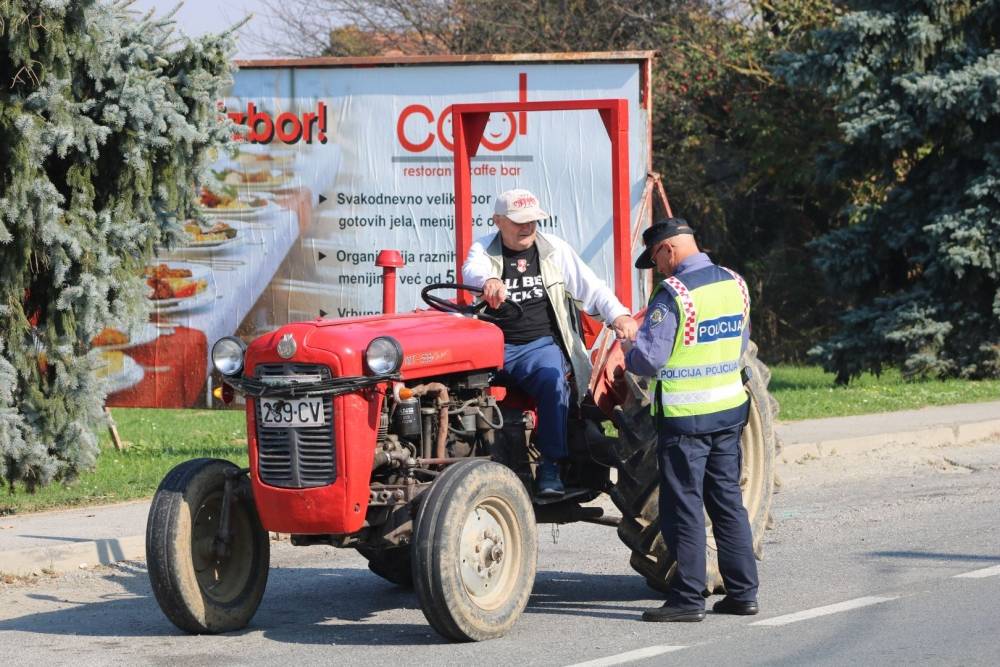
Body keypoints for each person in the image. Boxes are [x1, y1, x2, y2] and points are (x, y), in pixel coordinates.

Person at [622, 218, 759, 622]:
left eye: (657, 261)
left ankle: (688, 599)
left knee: (683, 506)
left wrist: (630, 345)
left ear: (668, 249)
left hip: (686, 419)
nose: (659, 270)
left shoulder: (675, 294)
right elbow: (739, 342)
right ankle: (743, 594)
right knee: (728, 503)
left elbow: (650, 359)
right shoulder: (734, 282)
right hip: (729, 410)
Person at [462, 188, 638, 497]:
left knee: (553, 379)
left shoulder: (554, 250)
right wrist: (488, 282)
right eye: (519, 221)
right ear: (498, 221)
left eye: (533, 221)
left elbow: (592, 289)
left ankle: (550, 466)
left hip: (537, 346)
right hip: (491, 349)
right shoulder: (483, 250)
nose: (528, 227)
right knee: (457, 390)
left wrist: (620, 316)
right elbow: (472, 271)